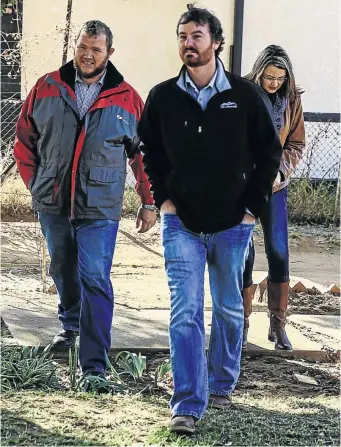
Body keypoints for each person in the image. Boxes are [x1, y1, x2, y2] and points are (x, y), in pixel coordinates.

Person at [138, 5, 282, 434]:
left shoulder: (244, 95)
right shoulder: (163, 96)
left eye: (197, 36)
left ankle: (221, 380)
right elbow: (151, 153)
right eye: (183, 35)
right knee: (184, 311)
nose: (188, 43)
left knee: (227, 309)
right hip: (180, 222)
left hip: (232, 225)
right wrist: (163, 201)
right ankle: (187, 402)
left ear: (216, 42)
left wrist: (251, 210)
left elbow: (269, 154)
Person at [14, 20, 156, 390]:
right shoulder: (47, 87)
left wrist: (148, 200)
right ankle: (70, 325)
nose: (87, 54)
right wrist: (36, 184)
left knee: (95, 276)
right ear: (74, 47)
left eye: (96, 49)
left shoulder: (127, 98)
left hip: (100, 205)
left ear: (110, 53)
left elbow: (144, 155)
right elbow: (24, 141)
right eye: (82, 47)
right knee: (62, 267)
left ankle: (93, 364)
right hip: (53, 200)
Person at [242, 45, 305, 351]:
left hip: (275, 186)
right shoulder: (241, 93)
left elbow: (295, 143)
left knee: (279, 252)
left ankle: (277, 326)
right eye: (269, 77)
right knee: (243, 255)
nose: (274, 83)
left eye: (280, 78)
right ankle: (240, 322)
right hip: (242, 187)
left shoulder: (291, 100)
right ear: (259, 72)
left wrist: (280, 173)